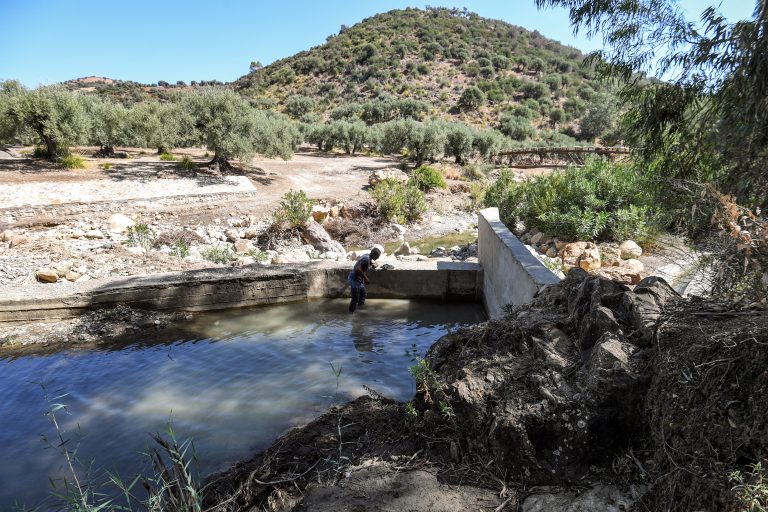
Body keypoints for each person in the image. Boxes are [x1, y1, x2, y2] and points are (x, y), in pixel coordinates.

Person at [347, 245, 382, 313]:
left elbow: (364, 263)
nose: (378, 258)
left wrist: (372, 264)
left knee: (363, 294)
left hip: (357, 279)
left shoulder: (366, 256)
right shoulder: (366, 259)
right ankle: (350, 315)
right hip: (355, 280)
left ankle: (360, 311)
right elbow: (358, 269)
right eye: (378, 256)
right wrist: (366, 278)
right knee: (355, 299)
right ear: (374, 254)